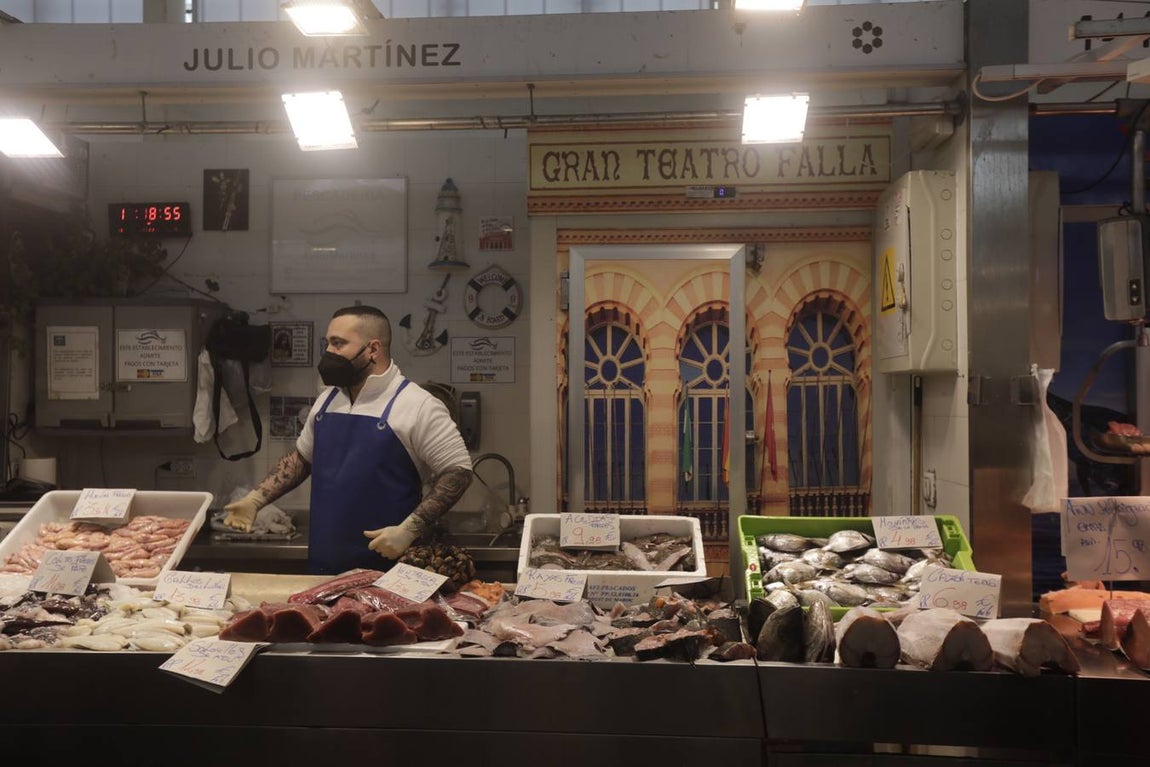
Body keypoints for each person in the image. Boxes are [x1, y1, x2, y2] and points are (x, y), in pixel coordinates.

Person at [222, 305, 473, 574]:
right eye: (328, 343)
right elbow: (301, 460)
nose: (329, 352)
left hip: (390, 568)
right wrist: (256, 500)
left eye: (338, 343)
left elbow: (458, 471)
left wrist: (410, 529)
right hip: (325, 562)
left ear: (373, 349)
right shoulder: (327, 401)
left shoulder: (418, 404)